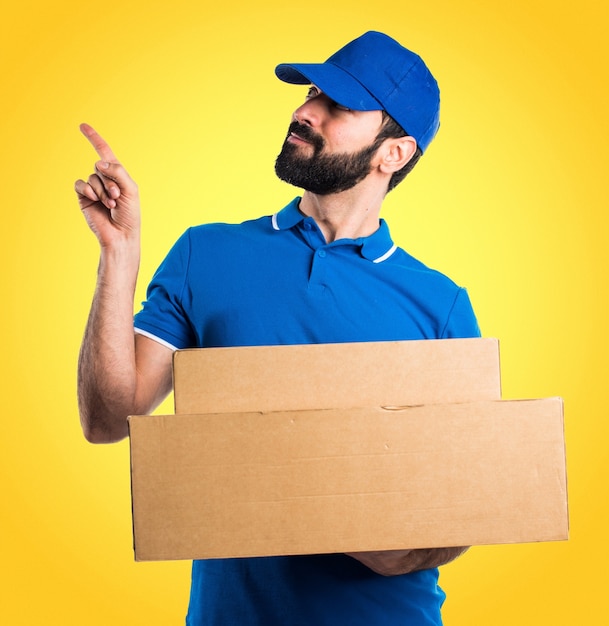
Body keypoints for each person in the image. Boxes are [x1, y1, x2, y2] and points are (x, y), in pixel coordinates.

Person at [75, 31, 480, 626]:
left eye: (338, 105)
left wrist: (371, 535)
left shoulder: (440, 306)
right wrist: (119, 255)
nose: (304, 110)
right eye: (313, 92)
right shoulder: (205, 254)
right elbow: (109, 419)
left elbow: (469, 503)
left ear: (393, 153)